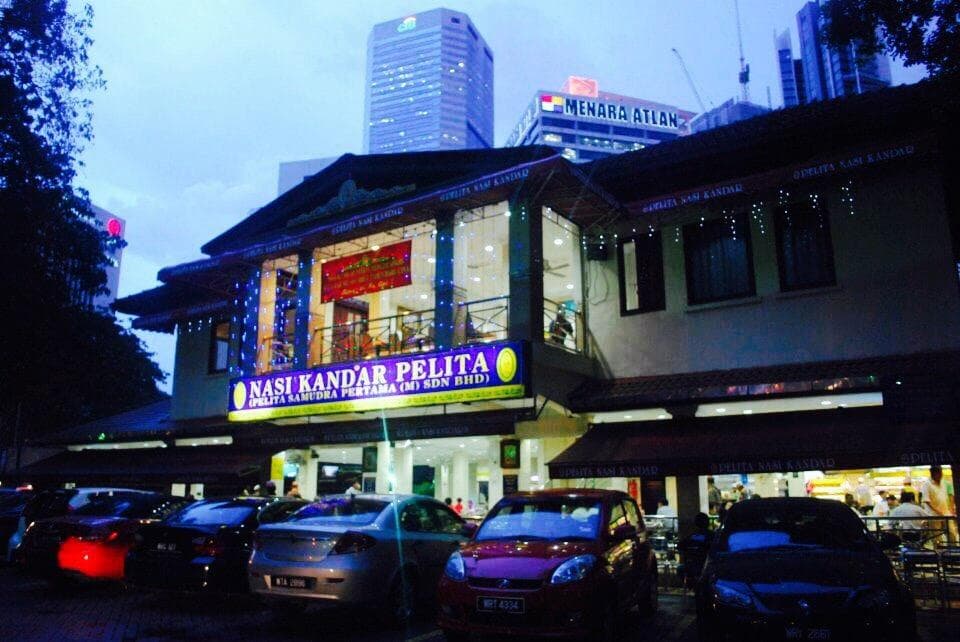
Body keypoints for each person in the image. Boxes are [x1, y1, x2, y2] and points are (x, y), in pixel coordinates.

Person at [678, 513, 712, 588]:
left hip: (691, 567)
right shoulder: (713, 536)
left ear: (695, 523)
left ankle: (692, 586)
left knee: (680, 569)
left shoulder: (691, 536)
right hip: (708, 567)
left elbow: (680, 546)